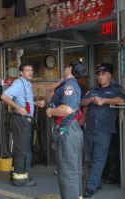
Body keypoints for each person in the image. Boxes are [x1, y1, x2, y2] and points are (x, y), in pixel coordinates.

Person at [81, 63, 125, 198]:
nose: (101, 77)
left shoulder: (115, 89)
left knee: (99, 158)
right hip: (90, 128)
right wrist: (91, 99)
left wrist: (104, 100)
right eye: (99, 74)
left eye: (104, 74)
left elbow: (122, 100)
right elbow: (82, 102)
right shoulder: (93, 89)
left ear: (109, 75)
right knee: (89, 157)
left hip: (104, 130)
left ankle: (91, 186)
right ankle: (97, 180)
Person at [46, 60, 87, 199]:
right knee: (73, 170)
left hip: (68, 130)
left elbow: (67, 109)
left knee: (66, 172)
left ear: (69, 68)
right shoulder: (66, 83)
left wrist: (51, 111)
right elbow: (49, 89)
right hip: (70, 129)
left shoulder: (69, 86)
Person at [1, 62, 45, 187]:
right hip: (21, 120)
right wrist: (18, 108)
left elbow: (23, 100)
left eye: (31, 70)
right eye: (27, 70)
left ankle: (16, 174)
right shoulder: (19, 83)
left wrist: (35, 103)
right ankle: (20, 178)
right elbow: (4, 96)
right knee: (24, 150)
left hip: (24, 120)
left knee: (21, 149)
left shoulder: (27, 84)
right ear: (21, 72)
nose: (30, 72)